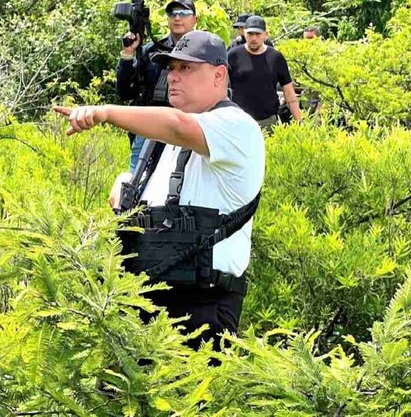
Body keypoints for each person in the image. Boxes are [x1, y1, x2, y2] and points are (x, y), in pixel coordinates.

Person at [55, 30, 265, 351]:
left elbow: (178, 125)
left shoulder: (237, 126)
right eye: (171, 69)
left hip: (202, 307)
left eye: (186, 68)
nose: (173, 77)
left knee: (194, 399)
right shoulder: (160, 142)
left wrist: (105, 112)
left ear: (218, 75)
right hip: (145, 299)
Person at [116, 0, 197, 172]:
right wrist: (128, 53)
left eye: (183, 13)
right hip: (149, 130)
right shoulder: (150, 51)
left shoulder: (204, 53)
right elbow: (124, 92)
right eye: (172, 13)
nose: (177, 17)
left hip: (187, 130)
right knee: (136, 186)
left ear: (194, 19)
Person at [228, 15, 302, 131]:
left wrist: (299, 123)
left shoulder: (276, 57)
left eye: (257, 34)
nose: (253, 38)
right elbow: (220, 87)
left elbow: (289, 93)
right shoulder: (233, 56)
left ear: (265, 35)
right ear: (244, 33)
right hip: (237, 121)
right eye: (250, 34)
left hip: (267, 121)